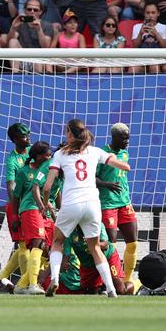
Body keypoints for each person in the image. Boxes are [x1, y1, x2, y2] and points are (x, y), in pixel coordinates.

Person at [42, 119, 129, 298]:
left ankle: (55, 279)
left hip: (71, 204)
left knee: (57, 242)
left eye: (66, 131)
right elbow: (124, 166)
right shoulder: (95, 151)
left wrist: (45, 204)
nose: (65, 134)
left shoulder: (60, 155)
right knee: (95, 248)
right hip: (92, 205)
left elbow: (47, 187)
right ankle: (111, 290)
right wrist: (123, 164)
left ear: (70, 134)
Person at [94, 123, 138, 285]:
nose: (127, 142)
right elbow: (91, 177)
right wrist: (106, 184)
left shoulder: (124, 154)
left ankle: (127, 280)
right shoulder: (101, 154)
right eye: (123, 138)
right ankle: (109, 281)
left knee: (133, 243)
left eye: (128, 138)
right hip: (108, 205)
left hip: (125, 203)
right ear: (114, 137)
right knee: (110, 245)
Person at [0, 122, 32, 293]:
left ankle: (1, 277)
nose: (28, 138)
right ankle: (27, 285)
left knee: (32, 244)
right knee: (24, 245)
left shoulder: (33, 152)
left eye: (28, 134)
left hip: (32, 205)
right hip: (18, 206)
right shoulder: (12, 161)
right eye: (24, 136)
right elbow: (10, 186)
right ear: (15, 139)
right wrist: (17, 211)